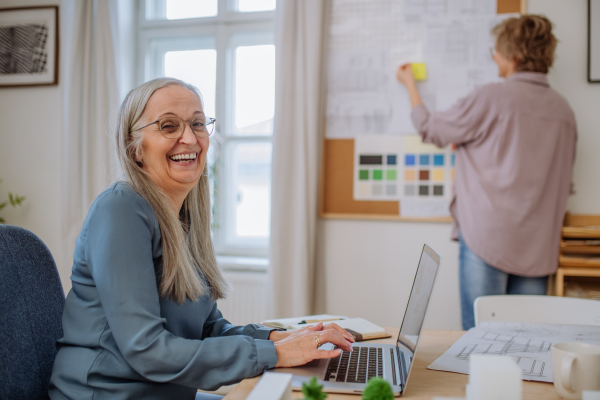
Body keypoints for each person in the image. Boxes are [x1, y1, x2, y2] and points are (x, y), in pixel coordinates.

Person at [49, 77, 355, 400]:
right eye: (169, 126)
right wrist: (276, 355)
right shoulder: (120, 209)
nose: (189, 138)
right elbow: (147, 349)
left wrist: (282, 338)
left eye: (197, 123)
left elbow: (209, 330)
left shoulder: (184, 218)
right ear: (134, 147)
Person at [395, 15, 577, 330]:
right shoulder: (564, 112)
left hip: (486, 239)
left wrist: (409, 84)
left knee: (479, 345)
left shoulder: (490, 98)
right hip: (539, 246)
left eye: (497, 49)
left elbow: (430, 128)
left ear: (515, 56)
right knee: (525, 346)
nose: (494, 56)